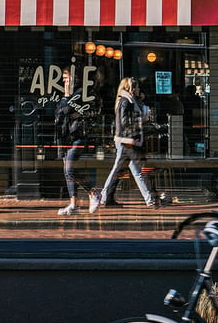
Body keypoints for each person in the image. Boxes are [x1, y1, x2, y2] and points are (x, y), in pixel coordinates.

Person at [101, 77, 155, 208]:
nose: (138, 89)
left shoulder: (129, 100)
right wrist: (137, 125)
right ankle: (102, 196)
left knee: (131, 170)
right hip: (126, 140)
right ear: (130, 88)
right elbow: (125, 121)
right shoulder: (125, 101)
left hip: (127, 140)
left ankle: (149, 198)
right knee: (125, 170)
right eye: (136, 87)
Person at [56, 67, 103, 216]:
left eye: (66, 77)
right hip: (64, 136)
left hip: (77, 135)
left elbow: (69, 110)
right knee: (67, 171)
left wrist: (69, 104)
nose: (63, 80)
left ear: (74, 78)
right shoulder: (66, 94)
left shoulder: (83, 93)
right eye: (63, 78)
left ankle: (93, 192)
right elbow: (60, 112)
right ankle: (74, 204)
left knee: (70, 169)